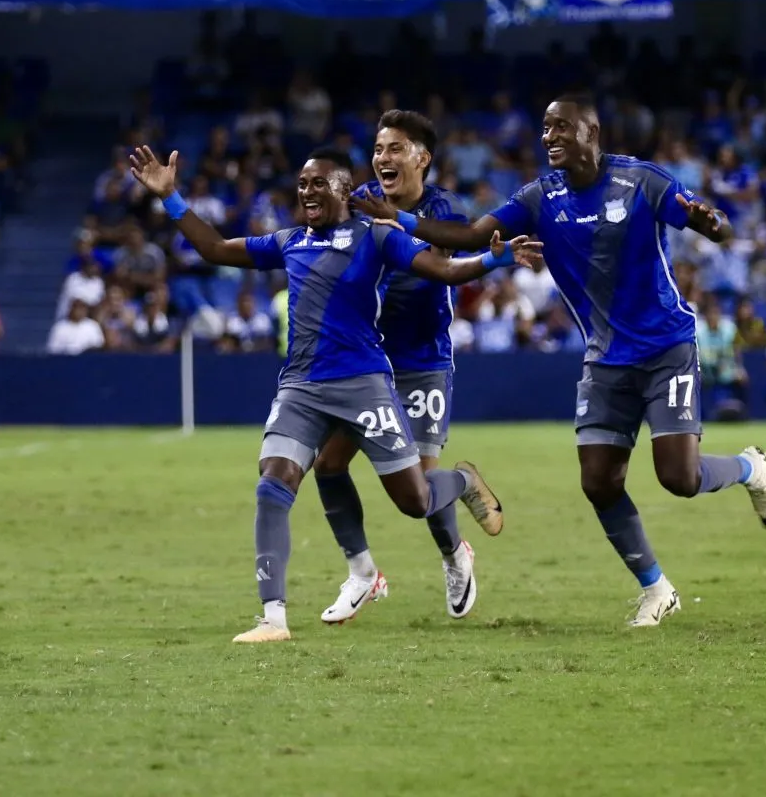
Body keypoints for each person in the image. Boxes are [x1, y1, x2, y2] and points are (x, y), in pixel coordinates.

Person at [357, 94, 766, 628]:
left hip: (666, 348)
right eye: (545, 128)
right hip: (605, 359)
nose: (550, 136)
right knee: (598, 482)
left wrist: (711, 222)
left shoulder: (641, 180)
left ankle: (749, 468)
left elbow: (719, 227)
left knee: (679, 477)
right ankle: (656, 589)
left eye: (562, 127)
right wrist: (399, 218)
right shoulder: (540, 197)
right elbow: (469, 235)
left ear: (591, 132)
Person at [129, 144, 542, 643]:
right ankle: (273, 618)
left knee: (415, 501)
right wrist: (171, 198)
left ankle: (461, 481)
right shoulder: (288, 241)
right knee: (273, 482)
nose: (307, 191)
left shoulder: (377, 236)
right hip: (301, 387)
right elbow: (215, 249)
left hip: (364, 385)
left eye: (318, 183)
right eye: (302, 184)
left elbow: (444, 271)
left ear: (345, 190)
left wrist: (494, 258)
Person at [312, 111, 481, 623]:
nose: (383, 157)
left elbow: (455, 252)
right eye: (379, 149)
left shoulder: (442, 208)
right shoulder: (360, 200)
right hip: (367, 363)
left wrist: (397, 221)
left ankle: (455, 555)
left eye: (396, 149)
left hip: (423, 360)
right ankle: (363, 573)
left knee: (422, 491)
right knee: (328, 465)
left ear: (422, 158)